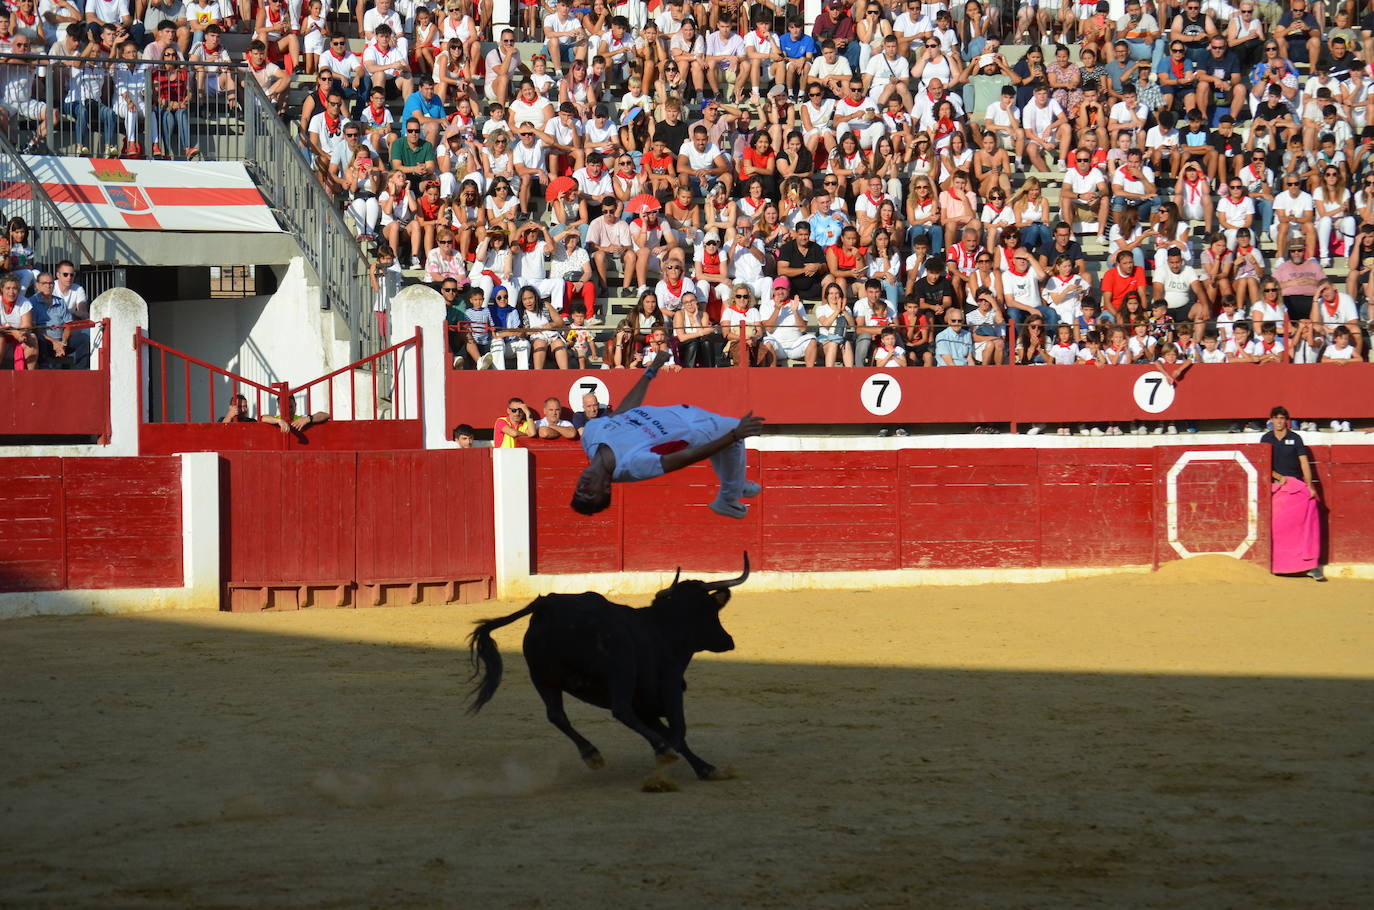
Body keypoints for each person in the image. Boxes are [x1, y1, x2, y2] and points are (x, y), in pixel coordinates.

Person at [571, 351, 765, 518]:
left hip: (676, 411)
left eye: (579, 491)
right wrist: (733, 435)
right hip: (691, 430)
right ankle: (728, 498)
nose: (583, 487)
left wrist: (651, 370)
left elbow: (623, 410)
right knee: (734, 433)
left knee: (730, 441)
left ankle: (734, 487)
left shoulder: (590, 434)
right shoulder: (631, 467)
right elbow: (683, 458)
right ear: (605, 488)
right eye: (589, 493)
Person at [1261, 406, 1325, 581]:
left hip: (1296, 487)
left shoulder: (1295, 438)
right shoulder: (1266, 439)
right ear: (1271, 420)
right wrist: (1278, 477)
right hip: (1276, 487)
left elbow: (1304, 463)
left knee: (1306, 525)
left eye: (1282, 418)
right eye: (1276, 418)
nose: (1279, 421)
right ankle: (1277, 565)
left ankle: (1311, 566)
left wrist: (1309, 486)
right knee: (1277, 526)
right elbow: (1263, 462)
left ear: (1286, 421)